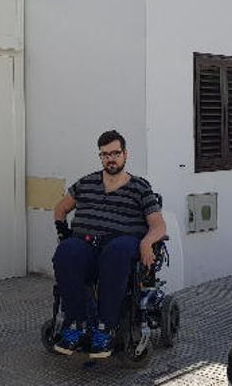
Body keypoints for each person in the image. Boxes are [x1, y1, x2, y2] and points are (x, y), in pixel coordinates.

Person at [51, 130, 167, 359]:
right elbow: (60, 209)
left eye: (115, 153)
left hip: (121, 247)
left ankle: (105, 328)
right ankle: (76, 325)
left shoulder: (140, 188)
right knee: (66, 251)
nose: (110, 159)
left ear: (125, 154)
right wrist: (64, 233)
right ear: (101, 157)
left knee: (116, 252)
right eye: (105, 155)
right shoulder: (86, 183)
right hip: (87, 246)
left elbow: (158, 226)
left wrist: (146, 242)